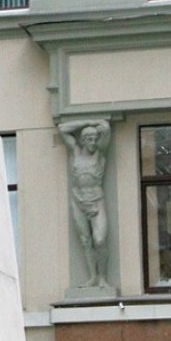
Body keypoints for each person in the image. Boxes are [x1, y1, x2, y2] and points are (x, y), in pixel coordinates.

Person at [59, 119, 112, 289]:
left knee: (100, 239)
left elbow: (106, 127)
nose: (93, 142)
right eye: (89, 139)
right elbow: (63, 128)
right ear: (82, 140)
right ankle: (93, 277)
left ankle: (103, 277)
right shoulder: (74, 151)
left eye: (95, 139)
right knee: (85, 240)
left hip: (96, 200)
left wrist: (96, 123)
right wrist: (88, 122)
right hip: (78, 200)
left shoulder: (100, 153)